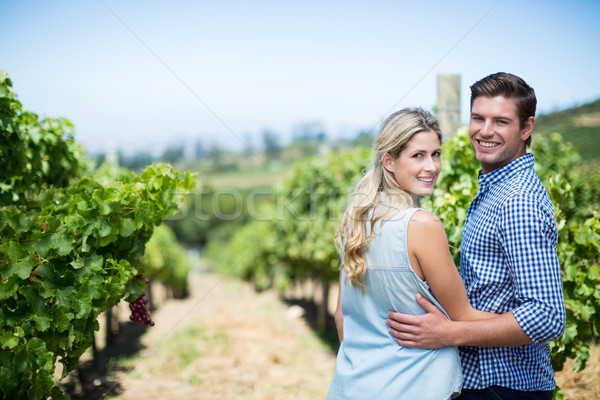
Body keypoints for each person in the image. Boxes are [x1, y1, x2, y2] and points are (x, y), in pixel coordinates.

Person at [386, 73, 566, 400]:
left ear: (526, 129)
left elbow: (547, 316)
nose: (484, 131)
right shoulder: (495, 191)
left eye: (501, 121)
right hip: (486, 386)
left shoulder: (518, 201)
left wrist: (450, 333)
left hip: (504, 388)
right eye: (478, 118)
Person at [327, 107, 502, 400]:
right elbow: (463, 316)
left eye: (436, 154)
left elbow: (341, 316)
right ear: (389, 161)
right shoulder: (421, 224)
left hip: (352, 389)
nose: (432, 166)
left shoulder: (358, 223)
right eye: (418, 155)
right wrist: (529, 326)